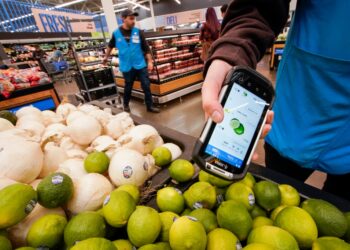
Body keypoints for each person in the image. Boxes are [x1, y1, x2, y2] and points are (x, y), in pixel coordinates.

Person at [201, 0, 350, 200]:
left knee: (338, 211)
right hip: (295, 112)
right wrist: (231, 55)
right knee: (273, 195)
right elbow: (260, 7)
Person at [103, 9, 159, 113]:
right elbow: (110, 46)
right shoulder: (116, 33)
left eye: (134, 18)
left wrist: (150, 61)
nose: (133, 21)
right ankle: (126, 104)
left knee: (146, 85)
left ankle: (149, 106)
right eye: (131, 18)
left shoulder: (138, 32)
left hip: (140, 64)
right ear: (123, 19)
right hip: (126, 65)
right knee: (128, 85)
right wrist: (106, 57)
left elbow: (146, 48)